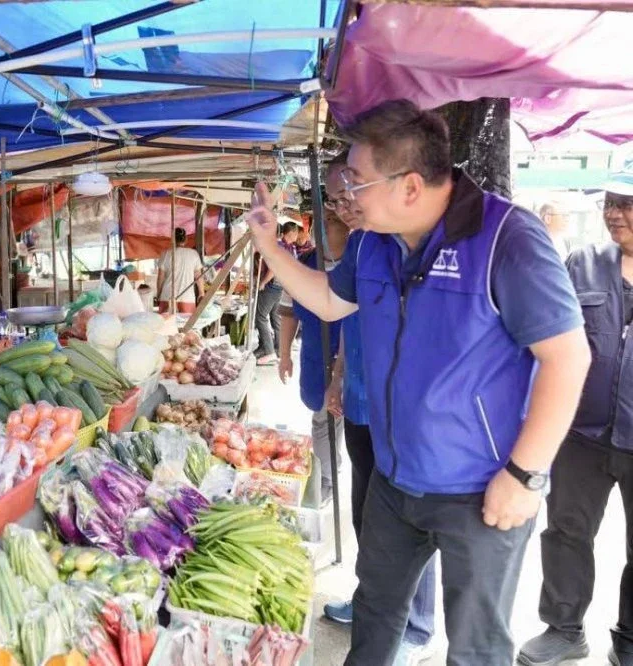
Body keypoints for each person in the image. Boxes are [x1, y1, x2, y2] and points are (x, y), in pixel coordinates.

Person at [248, 99, 590, 665]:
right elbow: (332, 302)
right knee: (377, 612)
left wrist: (525, 474)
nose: (344, 198)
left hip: (482, 489)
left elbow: (568, 357)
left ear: (409, 186)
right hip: (394, 477)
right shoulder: (371, 241)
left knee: (476, 643)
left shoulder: (507, 239)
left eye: (355, 182)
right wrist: (269, 246)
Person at [319, 151, 437, 664]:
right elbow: (347, 323)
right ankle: (371, 602)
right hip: (362, 403)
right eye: (336, 198)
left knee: (415, 517)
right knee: (370, 509)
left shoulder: (410, 245)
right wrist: (338, 379)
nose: (346, 205)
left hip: (406, 413)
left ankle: (416, 625)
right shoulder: (361, 250)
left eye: (352, 192)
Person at [518, 170, 633, 666]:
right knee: (566, 531)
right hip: (581, 433)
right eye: (609, 201)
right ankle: (563, 629)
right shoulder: (582, 263)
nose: (613, 212)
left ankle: (629, 638)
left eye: (626, 203)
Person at [278, 210, 346, 506]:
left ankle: (330, 474)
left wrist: (341, 373)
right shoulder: (304, 264)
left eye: (330, 222)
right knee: (322, 419)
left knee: (343, 422)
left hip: (354, 360)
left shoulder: (358, 263)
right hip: (315, 358)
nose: (321, 228)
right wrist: (284, 355)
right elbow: (288, 313)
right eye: (318, 222)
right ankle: (327, 477)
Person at [256, 222, 303, 365]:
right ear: (292, 233)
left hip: (274, 286)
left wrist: (263, 282)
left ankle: (269, 352)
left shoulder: (281, 247)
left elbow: (274, 269)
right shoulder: (290, 248)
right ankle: (278, 349)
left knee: (260, 317)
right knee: (276, 318)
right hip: (283, 287)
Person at [156, 228, 203, 314]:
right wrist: (201, 293)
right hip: (187, 298)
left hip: (167, 297)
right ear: (186, 239)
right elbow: (198, 277)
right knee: (187, 326)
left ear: (172, 239)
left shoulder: (166, 254)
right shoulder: (193, 254)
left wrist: (158, 294)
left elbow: (160, 278)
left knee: (167, 326)